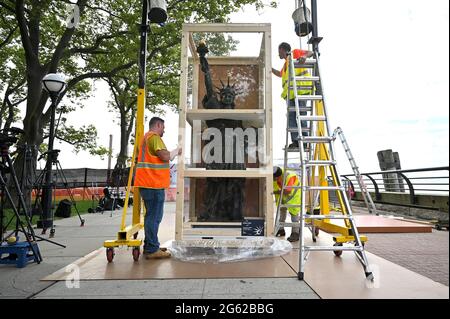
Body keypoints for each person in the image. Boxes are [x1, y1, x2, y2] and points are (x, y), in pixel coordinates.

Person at [196, 40, 246, 222]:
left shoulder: (238, 117)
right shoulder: (216, 108)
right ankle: (210, 214)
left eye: (230, 95)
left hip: (233, 157)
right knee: (215, 187)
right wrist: (204, 62)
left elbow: (242, 138)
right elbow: (210, 88)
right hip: (217, 154)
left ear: (233, 99)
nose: (225, 97)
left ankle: (234, 215)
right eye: (223, 94)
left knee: (234, 187)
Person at [134, 117, 182, 259]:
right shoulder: (154, 137)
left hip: (147, 183)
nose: (164, 130)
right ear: (158, 125)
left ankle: (151, 245)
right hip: (153, 184)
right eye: (163, 127)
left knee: (151, 216)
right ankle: (152, 249)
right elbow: (164, 156)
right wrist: (176, 151)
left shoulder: (145, 138)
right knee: (154, 217)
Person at [272, 42, 314, 149]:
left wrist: (304, 56)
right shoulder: (286, 63)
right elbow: (280, 74)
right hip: (291, 95)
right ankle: (296, 141)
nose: (278, 54)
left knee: (300, 116)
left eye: (279, 51)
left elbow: (310, 52)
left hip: (300, 91)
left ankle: (304, 141)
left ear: (282, 49)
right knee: (291, 118)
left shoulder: (294, 53)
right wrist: (270, 68)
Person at [273, 166, 302, 242]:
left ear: (278, 176)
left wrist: (275, 192)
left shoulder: (290, 176)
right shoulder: (275, 177)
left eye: (274, 178)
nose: (273, 180)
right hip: (283, 197)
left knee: (294, 215)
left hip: (294, 197)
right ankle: (281, 229)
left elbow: (288, 191)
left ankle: (295, 233)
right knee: (282, 213)